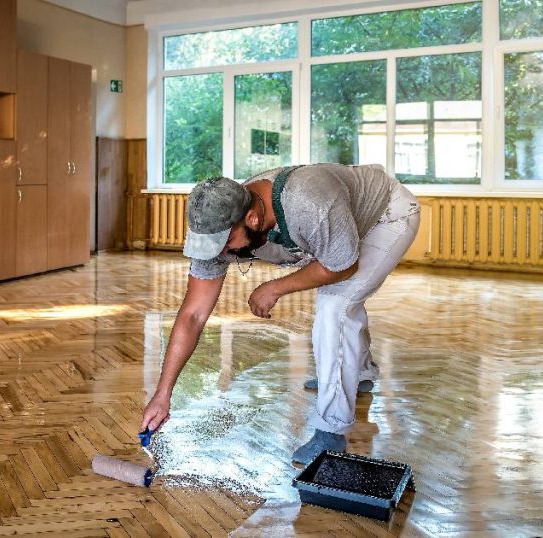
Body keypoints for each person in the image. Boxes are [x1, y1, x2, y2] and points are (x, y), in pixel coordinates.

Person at [139, 163, 421, 464]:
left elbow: (342, 266)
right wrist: (162, 393)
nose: (220, 255)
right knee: (345, 297)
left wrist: (275, 288)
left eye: (226, 244)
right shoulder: (220, 223)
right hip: (337, 223)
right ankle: (359, 374)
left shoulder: (307, 200)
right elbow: (193, 315)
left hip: (386, 215)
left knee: (337, 303)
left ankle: (331, 431)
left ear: (253, 217)